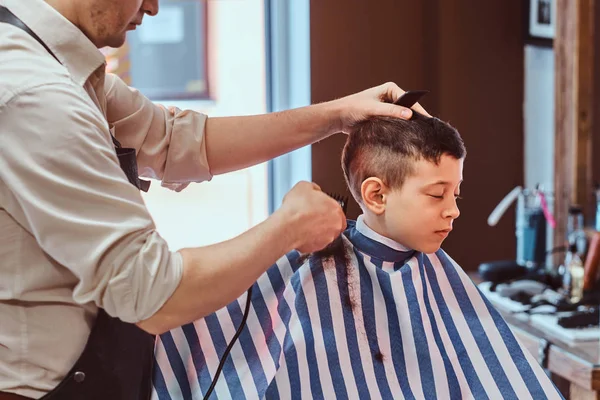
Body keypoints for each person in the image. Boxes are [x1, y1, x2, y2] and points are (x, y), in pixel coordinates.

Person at [0, 0, 427, 398]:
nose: (152, 6)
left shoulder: (61, 67)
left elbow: (179, 142)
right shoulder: (36, 93)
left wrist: (338, 115)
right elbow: (150, 295)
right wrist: (289, 228)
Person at [153, 114, 563, 399]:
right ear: (376, 195)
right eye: (437, 194)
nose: (453, 209)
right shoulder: (305, 266)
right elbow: (188, 332)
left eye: (456, 194)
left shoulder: (438, 273)